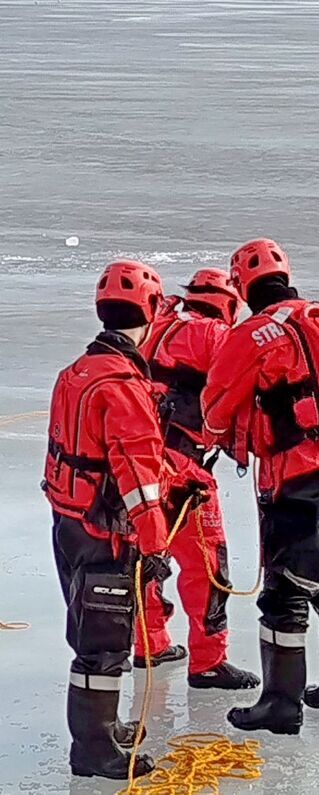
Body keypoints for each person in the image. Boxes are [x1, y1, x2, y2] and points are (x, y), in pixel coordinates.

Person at [203, 239, 319, 734]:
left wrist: (220, 437)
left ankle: (280, 701)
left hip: (294, 475)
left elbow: (215, 405)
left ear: (243, 286)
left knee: (285, 590)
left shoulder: (253, 334)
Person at [43, 260, 170, 778]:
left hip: (68, 522)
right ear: (152, 312)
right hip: (103, 534)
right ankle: (93, 749)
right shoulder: (123, 385)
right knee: (105, 643)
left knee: (88, 630)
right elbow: (138, 476)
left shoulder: (74, 373)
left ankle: (104, 727)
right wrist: (156, 543)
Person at [132, 269, 260, 689]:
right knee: (206, 566)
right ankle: (208, 662)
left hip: (139, 463)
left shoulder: (157, 326)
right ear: (227, 303)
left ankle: (149, 644)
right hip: (184, 468)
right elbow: (235, 393)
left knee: (147, 556)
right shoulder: (215, 336)